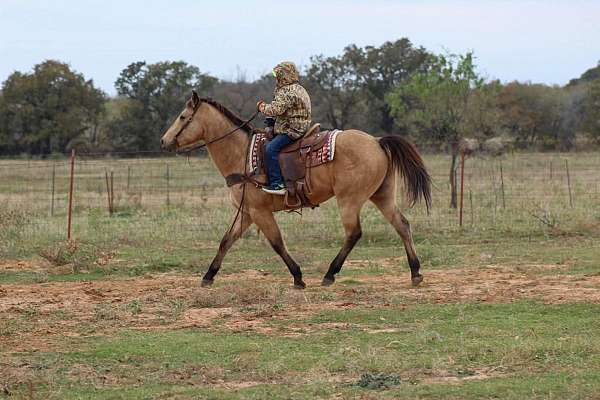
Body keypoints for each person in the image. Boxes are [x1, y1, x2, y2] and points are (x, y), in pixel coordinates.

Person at [257, 61, 311, 195]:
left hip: (292, 130)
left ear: (284, 75)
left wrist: (261, 106)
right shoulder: (299, 88)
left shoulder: (287, 91)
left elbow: (275, 109)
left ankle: (277, 184)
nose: (276, 78)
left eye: (278, 75)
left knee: (270, 149)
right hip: (300, 126)